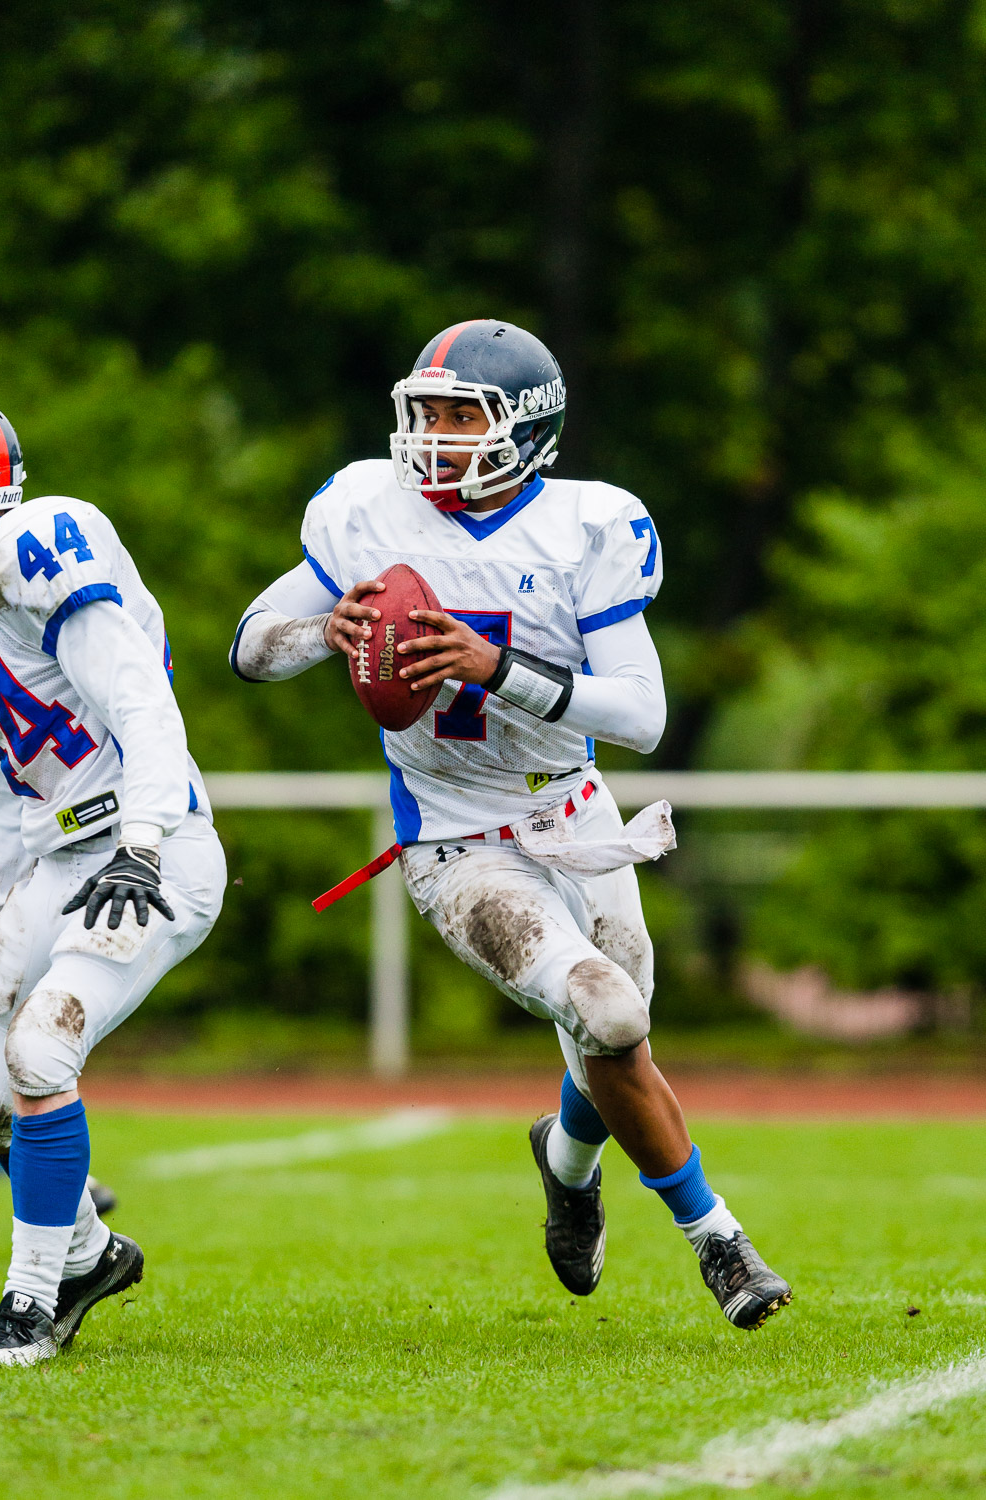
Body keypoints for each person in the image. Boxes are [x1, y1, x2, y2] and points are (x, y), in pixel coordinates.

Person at [230, 320, 791, 1330]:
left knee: (620, 1031)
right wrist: (325, 630)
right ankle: (721, 1245)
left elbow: (642, 713)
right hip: (455, 842)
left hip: (573, 809)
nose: (436, 439)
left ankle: (568, 1163)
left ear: (528, 429)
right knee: (607, 1014)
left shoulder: (587, 527)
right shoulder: (366, 507)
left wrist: (504, 675)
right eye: (426, 414)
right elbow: (248, 647)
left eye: (461, 417)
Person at [0, 400, 227, 1364]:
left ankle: (30, 1302)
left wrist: (142, 838)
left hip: (149, 852)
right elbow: (5, 802)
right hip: (54, 861)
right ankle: (86, 1253)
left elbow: (140, 698)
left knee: (43, 1049)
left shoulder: (36, 543)